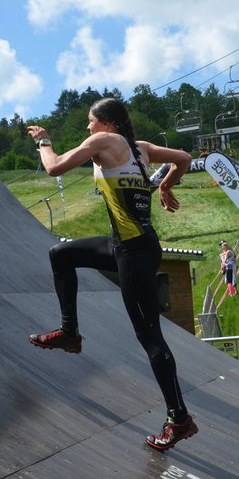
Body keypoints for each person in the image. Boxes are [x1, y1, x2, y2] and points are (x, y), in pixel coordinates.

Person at [26, 98, 197, 451]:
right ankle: (70, 332)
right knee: (60, 254)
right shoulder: (141, 149)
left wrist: (44, 141)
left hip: (133, 252)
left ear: (107, 123)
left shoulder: (104, 142)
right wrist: (165, 186)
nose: (87, 127)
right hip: (129, 246)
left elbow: (54, 167)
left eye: (90, 121)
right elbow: (183, 158)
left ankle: (178, 418)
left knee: (150, 338)